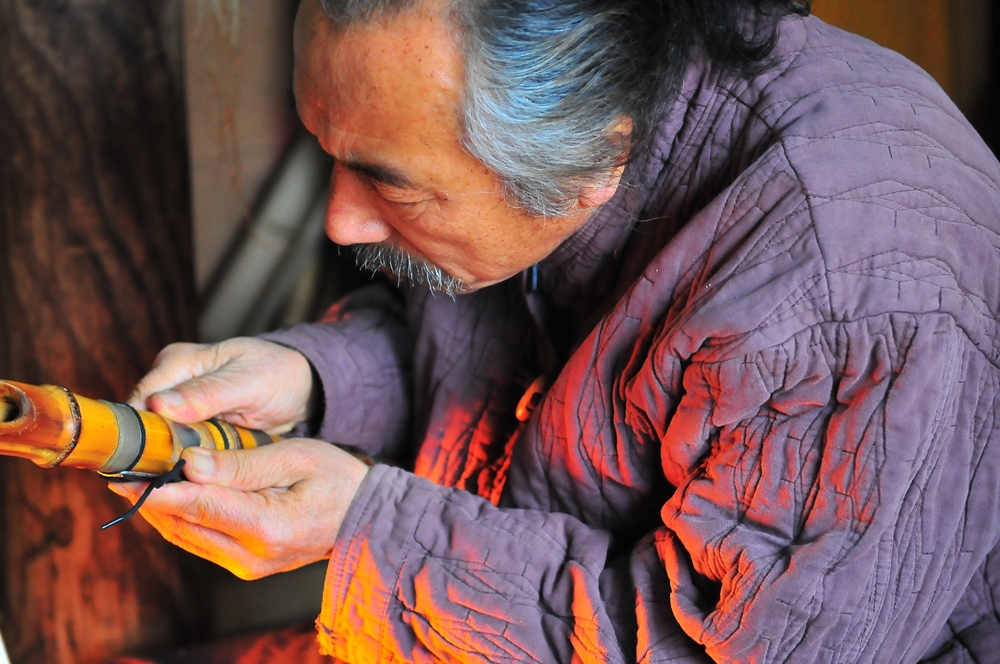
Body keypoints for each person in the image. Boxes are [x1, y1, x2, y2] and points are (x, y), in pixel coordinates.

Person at [114, 0, 1000, 661]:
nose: (339, 222)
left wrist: (369, 537)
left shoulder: (852, 291)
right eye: (329, 154)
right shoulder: (571, 95)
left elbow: (709, 650)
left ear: (596, 161)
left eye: (389, 183)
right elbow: (487, 356)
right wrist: (315, 381)